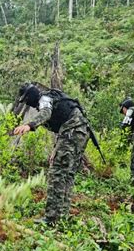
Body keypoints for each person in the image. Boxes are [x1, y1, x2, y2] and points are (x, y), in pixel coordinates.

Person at [12, 83, 91, 225]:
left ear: (31, 97)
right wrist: (56, 149)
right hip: (80, 133)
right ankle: (62, 216)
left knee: (57, 173)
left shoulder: (44, 99)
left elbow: (46, 113)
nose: (28, 104)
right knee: (67, 174)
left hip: (72, 132)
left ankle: (52, 218)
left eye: (27, 100)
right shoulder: (51, 98)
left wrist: (29, 125)